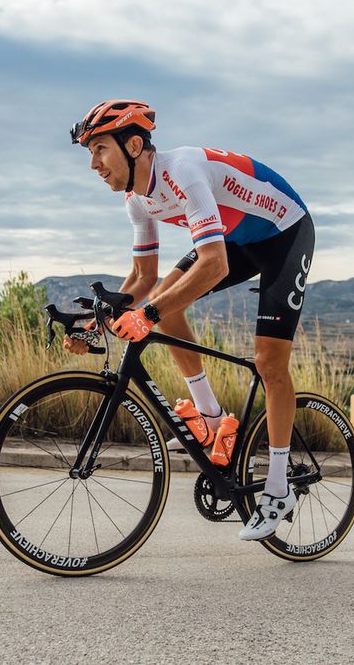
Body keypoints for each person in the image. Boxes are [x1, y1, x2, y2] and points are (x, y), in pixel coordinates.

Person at [64, 99, 314, 542]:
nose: (93, 164)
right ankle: (211, 418)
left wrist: (148, 314)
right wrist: (99, 321)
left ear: (134, 144)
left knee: (269, 363)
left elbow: (213, 265)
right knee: (163, 302)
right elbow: (143, 278)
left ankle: (278, 489)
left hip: (284, 233)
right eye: (90, 153)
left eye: (99, 149)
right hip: (236, 237)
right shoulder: (137, 201)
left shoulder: (183, 171)